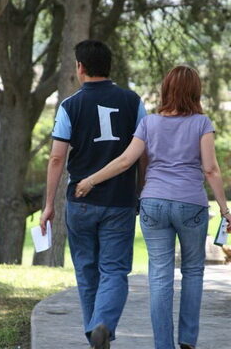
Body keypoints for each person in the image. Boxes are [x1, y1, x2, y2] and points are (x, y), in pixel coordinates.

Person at [75, 65, 231, 349]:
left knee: (160, 275)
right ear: (195, 91)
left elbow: (125, 161)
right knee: (193, 271)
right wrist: (224, 209)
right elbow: (210, 169)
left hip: (153, 204)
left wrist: (90, 180)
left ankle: (163, 345)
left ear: (166, 90)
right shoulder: (202, 123)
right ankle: (187, 340)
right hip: (191, 206)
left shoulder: (149, 123)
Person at [40, 39, 147, 349]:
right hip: (120, 201)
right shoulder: (133, 101)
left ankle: (94, 333)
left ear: (80, 68)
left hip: (81, 202)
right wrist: (139, 190)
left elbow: (57, 158)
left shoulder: (70, 105)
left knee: (87, 271)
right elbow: (142, 154)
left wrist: (49, 205)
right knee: (114, 270)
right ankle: (103, 325)